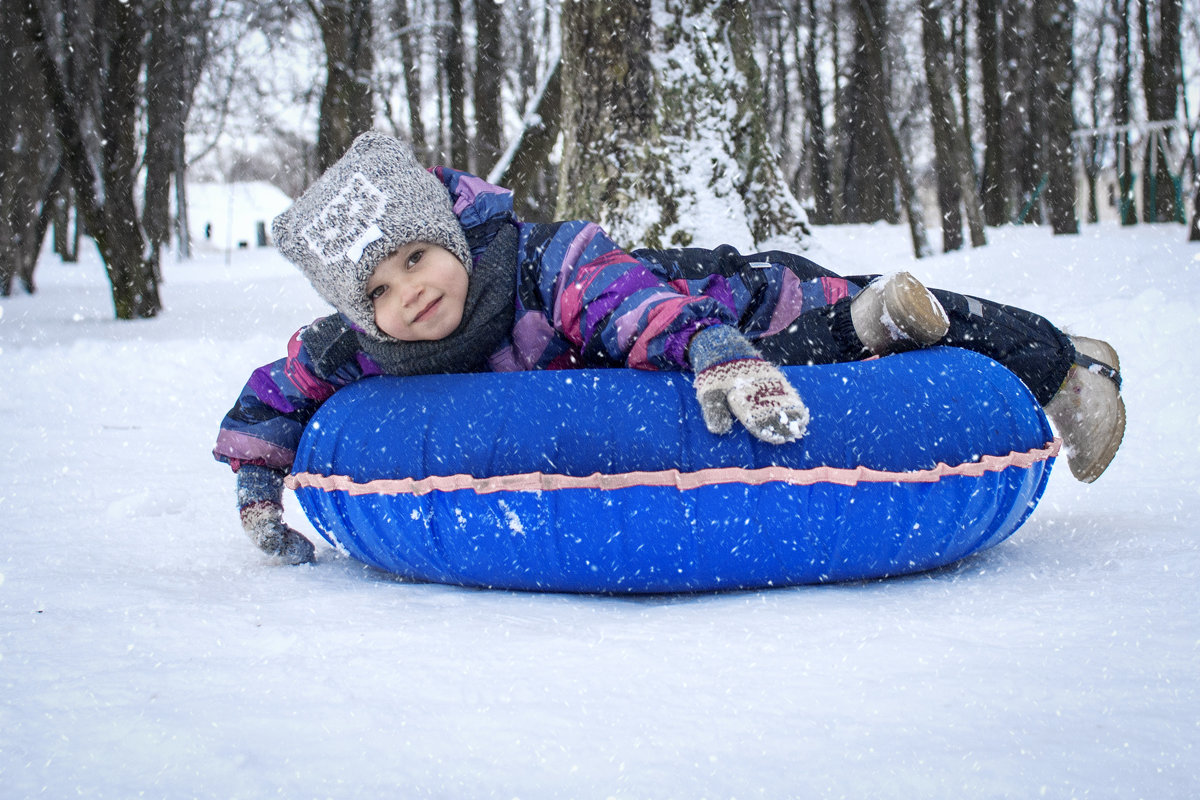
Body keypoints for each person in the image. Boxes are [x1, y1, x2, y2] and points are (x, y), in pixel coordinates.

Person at [215, 131, 1125, 563]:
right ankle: (874, 325)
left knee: (817, 327)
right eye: (377, 290)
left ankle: (1063, 365)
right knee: (842, 339)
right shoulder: (367, 348)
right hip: (683, 343)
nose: (410, 292)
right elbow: (276, 391)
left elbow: (621, 306)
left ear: (448, 235)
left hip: (715, 300)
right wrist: (261, 488)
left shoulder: (536, 259)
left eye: (416, 258)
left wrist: (713, 348)